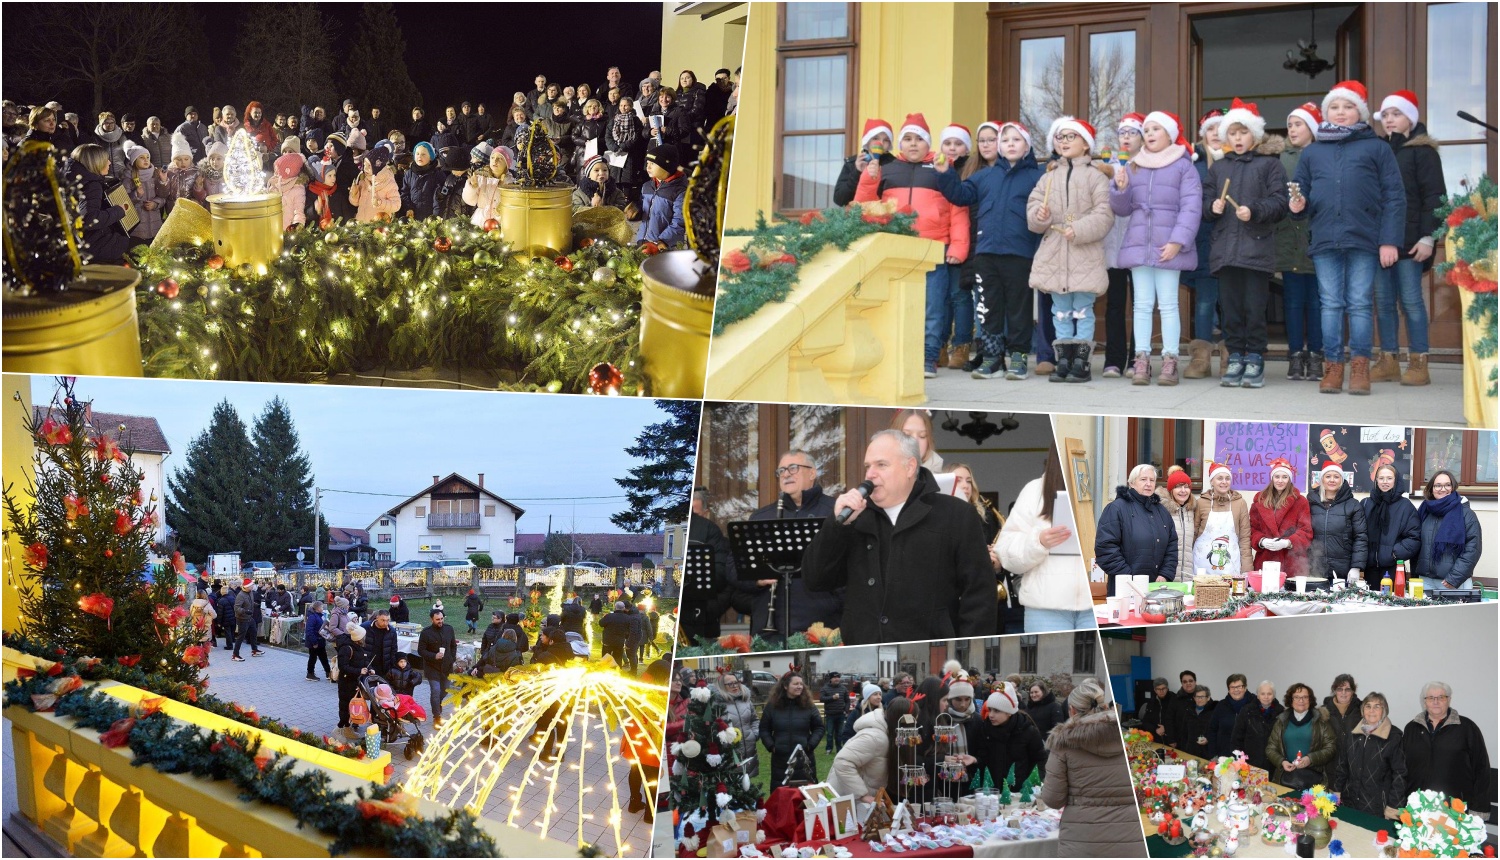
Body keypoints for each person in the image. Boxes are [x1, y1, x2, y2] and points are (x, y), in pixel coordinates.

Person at [802, 429, 995, 644]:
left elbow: (980, 595)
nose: (870, 474)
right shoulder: (855, 518)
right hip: (866, 650)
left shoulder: (955, 514)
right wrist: (837, 525)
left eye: (881, 465)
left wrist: (964, 655)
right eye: (868, 466)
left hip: (934, 651)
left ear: (910, 466)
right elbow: (815, 579)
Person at [1289, 80, 1406, 395]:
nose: (1341, 112)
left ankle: (1359, 366)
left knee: (1358, 304)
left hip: (1365, 239)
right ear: (1326, 113)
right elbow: (1301, 192)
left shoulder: (1377, 148)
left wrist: (1389, 240)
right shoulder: (1313, 151)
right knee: (1330, 304)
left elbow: (1394, 196)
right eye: (1334, 107)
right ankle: (1332, 366)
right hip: (1325, 238)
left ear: (1361, 112)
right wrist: (1298, 205)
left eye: (1348, 106)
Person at [854, 113, 971, 378]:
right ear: (900, 144)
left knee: (933, 307)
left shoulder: (941, 168)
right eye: (907, 138)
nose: (913, 144)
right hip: (896, 250)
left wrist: (958, 247)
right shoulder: (888, 168)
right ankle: (897, 355)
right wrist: (869, 179)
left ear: (928, 143)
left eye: (919, 139)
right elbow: (864, 206)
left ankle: (929, 358)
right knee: (896, 306)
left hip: (933, 248)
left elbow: (958, 210)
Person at [933, 120, 1043, 379]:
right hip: (986, 254)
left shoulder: (1037, 177)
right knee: (988, 307)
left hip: (1020, 254)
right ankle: (993, 358)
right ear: (999, 147)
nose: (1010, 144)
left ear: (1027, 145)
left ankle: (1018, 356)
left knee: (1018, 308)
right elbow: (959, 195)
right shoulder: (984, 176)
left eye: (1016, 140)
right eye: (1006, 141)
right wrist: (944, 173)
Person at [1202, 99, 1289, 387]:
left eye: (1243, 133)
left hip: (1256, 247)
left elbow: (1279, 202)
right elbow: (1205, 201)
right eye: (1233, 134)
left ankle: (1254, 358)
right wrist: (1211, 208)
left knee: (1254, 308)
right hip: (1225, 250)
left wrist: (1254, 210)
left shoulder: (1269, 165)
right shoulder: (1219, 168)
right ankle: (1235, 355)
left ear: (1255, 135)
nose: (1238, 139)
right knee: (1230, 308)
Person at [1112, 111, 1202, 386]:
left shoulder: (1184, 166)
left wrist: (1178, 241)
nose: (1149, 134)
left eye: (1155, 129)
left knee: (1169, 305)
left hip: (1168, 245)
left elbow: (1191, 205)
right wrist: (1120, 189)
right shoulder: (1133, 166)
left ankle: (1170, 360)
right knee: (1140, 305)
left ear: (1170, 135)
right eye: (1147, 130)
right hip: (1139, 244)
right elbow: (1121, 209)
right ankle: (1141, 360)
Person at [1029, 116, 1113, 382]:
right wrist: (1039, 216)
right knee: (1060, 310)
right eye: (1060, 137)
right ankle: (1063, 358)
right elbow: (1033, 208)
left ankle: (1081, 360)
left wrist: (1079, 229)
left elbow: (1104, 214)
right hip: (1055, 253)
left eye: (1070, 137)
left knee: (1083, 310)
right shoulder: (1048, 177)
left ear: (1085, 145)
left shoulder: (1095, 177)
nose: (1063, 142)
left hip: (1084, 253)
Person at [1372, 90, 1443, 386]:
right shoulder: (1378, 151)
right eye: (1385, 115)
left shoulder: (1422, 152)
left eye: (1396, 114)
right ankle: (1388, 360)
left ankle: (1419, 362)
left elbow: (1435, 197)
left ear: (1410, 119)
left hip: (1411, 241)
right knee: (1383, 301)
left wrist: (1429, 237)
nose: (1389, 120)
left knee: (1411, 301)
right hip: (1380, 242)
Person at [1041, 680, 1145, 857]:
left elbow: (1052, 799)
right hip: (1131, 838)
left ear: (1072, 710)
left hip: (1082, 841)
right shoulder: (1129, 740)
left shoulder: (1063, 744)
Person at [745, 449, 842, 637]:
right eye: (781, 471)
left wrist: (836, 602)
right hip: (769, 630)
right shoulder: (761, 517)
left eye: (793, 468)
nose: (786, 474)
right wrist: (755, 579)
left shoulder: (836, 511)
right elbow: (734, 567)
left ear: (812, 473)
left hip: (823, 626)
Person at [997, 444, 1090, 631]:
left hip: (1092, 605)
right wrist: (1038, 541)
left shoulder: (1091, 487)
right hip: (1046, 610)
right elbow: (1005, 552)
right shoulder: (1034, 491)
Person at [1278, 103, 1324, 382]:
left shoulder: (1324, 156)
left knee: (1318, 301)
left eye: (1299, 124)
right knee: (1293, 300)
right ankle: (1296, 355)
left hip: (1318, 237)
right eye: (1290, 124)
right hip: (1288, 239)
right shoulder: (1280, 159)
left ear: (1313, 129)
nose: (1292, 129)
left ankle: (1317, 355)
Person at [1100, 114, 1145, 378]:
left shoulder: (1149, 166)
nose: (1126, 138)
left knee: (1141, 304)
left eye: (1132, 133)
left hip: (1138, 244)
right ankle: (1113, 359)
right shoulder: (1107, 167)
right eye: (1122, 133)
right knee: (1114, 304)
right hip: (1113, 246)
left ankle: (1136, 359)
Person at [1402, 681, 1491, 813]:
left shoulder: (1467, 728)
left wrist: (1478, 808)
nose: (1436, 702)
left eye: (1441, 697)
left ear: (1449, 700)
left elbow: (1481, 768)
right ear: (1424, 702)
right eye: (1431, 698)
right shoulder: (1411, 728)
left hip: (1455, 807)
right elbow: (1402, 767)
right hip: (1417, 804)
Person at [1095, 464, 1178, 593]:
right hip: (1125, 588)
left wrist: (1165, 574)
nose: (1148, 484)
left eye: (1152, 480)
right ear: (1132, 483)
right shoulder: (1117, 508)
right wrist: (1129, 577)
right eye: (1143, 479)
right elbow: (1105, 548)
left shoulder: (1161, 511)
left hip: (1157, 588)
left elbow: (1172, 545)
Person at [1331, 691, 1408, 819]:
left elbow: (1400, 774)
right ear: (1362, 711)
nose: (1372, 710)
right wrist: (1336, 791)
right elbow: (1342, 765)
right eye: (1368, 706)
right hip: (1349, 801)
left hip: (1377, 806)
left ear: (1384, 711)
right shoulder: (1352, 734)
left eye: (1377, 706)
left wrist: (1393, 805)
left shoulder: (1394, 737)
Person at [1414, 470, 1483, 592]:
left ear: (1453, 487)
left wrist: (1455, 578)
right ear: (1431, 488)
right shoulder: (1425, 510)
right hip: (1425, 580)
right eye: (1438, 485)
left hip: (1452, 583)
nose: (1442, 489)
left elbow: (1473, 548)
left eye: (1447, 485)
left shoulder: (1465, 513)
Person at [65, 144, 130, 265]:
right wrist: (118, 210)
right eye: (106, 160)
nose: (109, 163)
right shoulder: (91, 185)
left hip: (73, 242)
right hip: (92, 244)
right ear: (96, 163)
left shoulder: (72, 179)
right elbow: (90, 219)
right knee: (137, 248)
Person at [973, 684, 1045, 791]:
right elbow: (983, 757)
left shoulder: (1027, 731)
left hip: (1020, 793)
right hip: (991, 792)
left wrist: (1031, 782)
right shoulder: (986, 729)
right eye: (990, 709)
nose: (991, 715)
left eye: (996, 711)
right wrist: (975, 760)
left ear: (1009, 712)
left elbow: (1040, 759)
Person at [1250, 458, 1314, 579]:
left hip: (1293, 562)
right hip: (1266, 560)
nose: (1280, 481)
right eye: (1277, 476)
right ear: (1272, 478)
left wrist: (1288, 542)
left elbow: (1306, 531)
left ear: (1289, 479)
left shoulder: (1300, 502)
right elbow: (1253, 529)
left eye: (1284, 477)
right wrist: (1262, 541)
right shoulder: (1259, 501)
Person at [1266, 682, 1338, 789]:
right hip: (1285, 778)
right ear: (1291, 700)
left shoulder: (1321, 721)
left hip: (1313, 779)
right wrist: (1282, 762)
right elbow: (1270, 748)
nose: (1301, 701)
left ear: (1310, 700)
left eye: (1305, 697)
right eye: (1297, 697)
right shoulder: (1281, 721)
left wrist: (1311, 759)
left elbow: (1331, 747)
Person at [1308, 461, 1368, 587]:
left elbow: (1360, 537)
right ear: (1322, 479)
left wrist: (1356, 566)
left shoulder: (1353, 505)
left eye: (1336, 477)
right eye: (1328, 476)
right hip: (1314, 569)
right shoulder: (1310, 502)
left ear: (1341, 480)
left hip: (1342, 572)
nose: (1332, 480)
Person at [761, 672, 825, 789]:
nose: (799, 686)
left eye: (801, 684)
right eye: (795, 684)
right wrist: (771, 746)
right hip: (780, 759)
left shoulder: (809, 706)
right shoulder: (772, 706)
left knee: (805, 797)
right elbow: (764, 729)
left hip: (804, 758)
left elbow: (819, 727)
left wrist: (810, 745)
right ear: (785, 686)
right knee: (781, 795)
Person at [1363, 464, 1422, 589]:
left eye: (1389, 478)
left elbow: (1414, 537)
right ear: (1376, 480)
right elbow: (1358, 534)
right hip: (1369, 568)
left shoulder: (1405, 506)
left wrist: (1395, 554)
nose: (1385, 482)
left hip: (1394, 568)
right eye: (1381, 478)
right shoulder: (1366, 503)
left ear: (1396, 480)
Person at [827, 689, 891, 800]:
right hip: (849, 795)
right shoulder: (870, 733)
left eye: (880, 694)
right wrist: (862, 795)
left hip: (864, 765)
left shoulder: (881, 717)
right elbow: (844, 759)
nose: (878, 697)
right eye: (874, 694)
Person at [1192, 461, 1252, 577]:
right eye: (1220, 478)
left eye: (1227, 478)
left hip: (1230, 566)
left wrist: (1247, 569)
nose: (1224, 482)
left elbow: (1245, 538)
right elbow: (1192, 535)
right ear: (1212, 481)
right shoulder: (1200, 503)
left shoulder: (1240, 503)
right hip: (1202, 566)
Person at [833, 118, 896, 207]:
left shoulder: (895, 164)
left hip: (886, 217)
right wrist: (857, 172)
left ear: (889, 144)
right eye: (875, 138)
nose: (881, 143)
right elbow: (840, 199)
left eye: (886, 140)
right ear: (867, 140)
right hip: (857, 218)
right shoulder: (852, 163)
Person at [712, 672, 760, 780]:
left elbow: (754, 720)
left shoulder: (746, 700)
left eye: (736, 682)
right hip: (728, 753)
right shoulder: (717, 704)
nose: (735, 686)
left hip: (749, 750)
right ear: (721, 686)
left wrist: (754, 734)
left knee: (748, 786)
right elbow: (713, 726)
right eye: (730, 684)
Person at [636, 144, 686, 247]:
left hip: (664, 246)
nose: (648, 167)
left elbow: (680, 221)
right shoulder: (646, 186)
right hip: (643, 242)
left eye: (653, 163)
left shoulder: (679, 191)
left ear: (666, 166)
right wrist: (635, 211)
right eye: (647, 163)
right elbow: (645, 210)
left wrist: (663, 241)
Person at [417, 608, 458, 727]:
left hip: (447, 666)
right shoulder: (426, 632)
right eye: (437, 619)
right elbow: (421, 650)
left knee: (445, 690)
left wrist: (452, 658)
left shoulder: (449, 629)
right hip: (432, 667)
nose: (440, 621)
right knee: (435, 691)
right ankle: (437, 716)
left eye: (441, 619)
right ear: (432, 619)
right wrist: (434, 656)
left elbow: (453, 645)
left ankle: (437, 703)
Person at [333, 621, 374, 739]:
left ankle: (347, 728)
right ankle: (339, 729)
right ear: (359, 638)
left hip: (355, 682)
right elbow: (343, 667)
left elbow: (365, 661)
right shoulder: (347, 648)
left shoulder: (358, 647)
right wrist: (359, 671)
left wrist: (370, 669)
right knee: (345, 706)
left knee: (352, 706)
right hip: (346, 682)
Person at [1232, 681, 1284, 771]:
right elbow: (1237, 737)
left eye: (1269, 694)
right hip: (1250, 762)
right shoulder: (1247, 711)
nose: (1266, 697)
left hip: (1273, 764)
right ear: (1258, 695)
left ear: (1274, 695)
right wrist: (1239, 760)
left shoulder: (1281, 712)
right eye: (1262, 693)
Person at [121, 141, 166, 241]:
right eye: (141, 157)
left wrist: (155, 204)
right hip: (137, 230)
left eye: (147, 157)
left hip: (155, 227)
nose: (146, 160)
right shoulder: (128, 179)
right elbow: (124, 203)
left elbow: (163, 197)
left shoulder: (155, 175)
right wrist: (136, 195)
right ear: (134, 160)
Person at [1158, 467, 1196, 581]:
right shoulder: (1161, 510)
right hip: (1167, 575)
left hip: (1188, 575)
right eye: (1178, 486)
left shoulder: (1192, 510)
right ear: (1170, 490)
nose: (1183, 490)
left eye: (1186, 486)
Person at [349, 145, 399, 222]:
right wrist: (354, 194)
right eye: (364, 165)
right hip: (361, 226)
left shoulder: (389, 183)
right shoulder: (363, 181)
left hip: (379, 228)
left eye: (369, 165)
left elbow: (396, 205)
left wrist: (380, 202)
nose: (365, 168)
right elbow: (356, 203)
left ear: (378, 166)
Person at [1206, 675, 1251, 758]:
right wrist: (1213, 754)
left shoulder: (1254, 705)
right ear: (1229, 690)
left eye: (1239, 687)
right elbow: (1212, 730)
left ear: (1245, 687)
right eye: (1232, 687)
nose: (1236, 690)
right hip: (1225, 756)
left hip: (1249, 757)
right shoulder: (1221, 706)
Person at [1176, 686, 1217, 758]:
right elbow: (1184, 733)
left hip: (1207, 753)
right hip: (1190, 751)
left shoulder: (1214, 713)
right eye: (1197, 697)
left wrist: (1208, 739)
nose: (1199, 699)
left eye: (1202, 697)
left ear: (1208, 698)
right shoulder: (1189, 711)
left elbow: (1217, 732)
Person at [1162, 670, 1199, 748]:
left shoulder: (1203, 697)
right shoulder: (1175, 699)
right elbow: (1169, 719)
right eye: (1185, 682)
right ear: (1182, 683)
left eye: (1190, 681)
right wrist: (1171, 739)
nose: (1188, 683)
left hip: (1199, 740)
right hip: (1181, 740)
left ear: (1195, 682)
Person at [231, 578, 264, 661]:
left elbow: (250, 602)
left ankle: (254, 650)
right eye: (251, 585)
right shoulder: (241, 595)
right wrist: (245, 611)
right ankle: (235, 655)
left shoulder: (250, 592)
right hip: (242, 619)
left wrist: (255, 604)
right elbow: (236, 608)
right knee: (241, 637)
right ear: (247, 587)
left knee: (254, 632)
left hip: (250, 618)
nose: (253, 586)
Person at [819, 672, 850, 753]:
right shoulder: (825, 688)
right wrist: (832, 697)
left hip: (841, 714)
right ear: (831, 679)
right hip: (830, 714)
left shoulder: (843, 688)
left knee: (839, 733)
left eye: (838, 677)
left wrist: (846, 710)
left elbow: (847, 701)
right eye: (834, 677)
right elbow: (821, 698)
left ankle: (839, 748)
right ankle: (829, 749)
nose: (836, 679)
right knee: (829, 733)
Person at [1137, 677, 1174, 743]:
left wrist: (1166, 728)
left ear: (1167, 688)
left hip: (1171, 738)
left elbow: (1179, 722)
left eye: (1163, 688)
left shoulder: (1174, 700)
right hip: (1155, 738)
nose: (1161, 691)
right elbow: (1145, 722)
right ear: (1155, 690)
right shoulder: (1151, 702)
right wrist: (1156, 729)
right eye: (1158, 689)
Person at [362, 610, 398, 678]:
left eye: (388, 620)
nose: (385, 623)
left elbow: (394, 650)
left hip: (384, 666)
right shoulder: (365, 628)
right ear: (377, 618)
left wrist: (392, 667)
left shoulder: (391, 631)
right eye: (383, 620)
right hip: (367, 664)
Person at [303, 601, 331, 681]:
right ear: (317, 608)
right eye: (322, 607)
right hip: (314, 641)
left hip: (320, 640)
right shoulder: (312, 617)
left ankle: (328, 672)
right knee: (313, 657)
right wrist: (314, 642)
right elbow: (309, 630)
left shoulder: (320, 616)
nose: (323, 608)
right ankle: (310, 673)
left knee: (323, 657)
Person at [599, 600, 633, 667]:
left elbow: (601, 623)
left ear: (615, 607)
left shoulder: (609, 616)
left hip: (608, 641)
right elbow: (629, 630)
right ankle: (617, 671)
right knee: (618, 658)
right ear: (623, 608)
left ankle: (603, 671)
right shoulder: (627, 618)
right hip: (619, 641)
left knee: (605, 657)